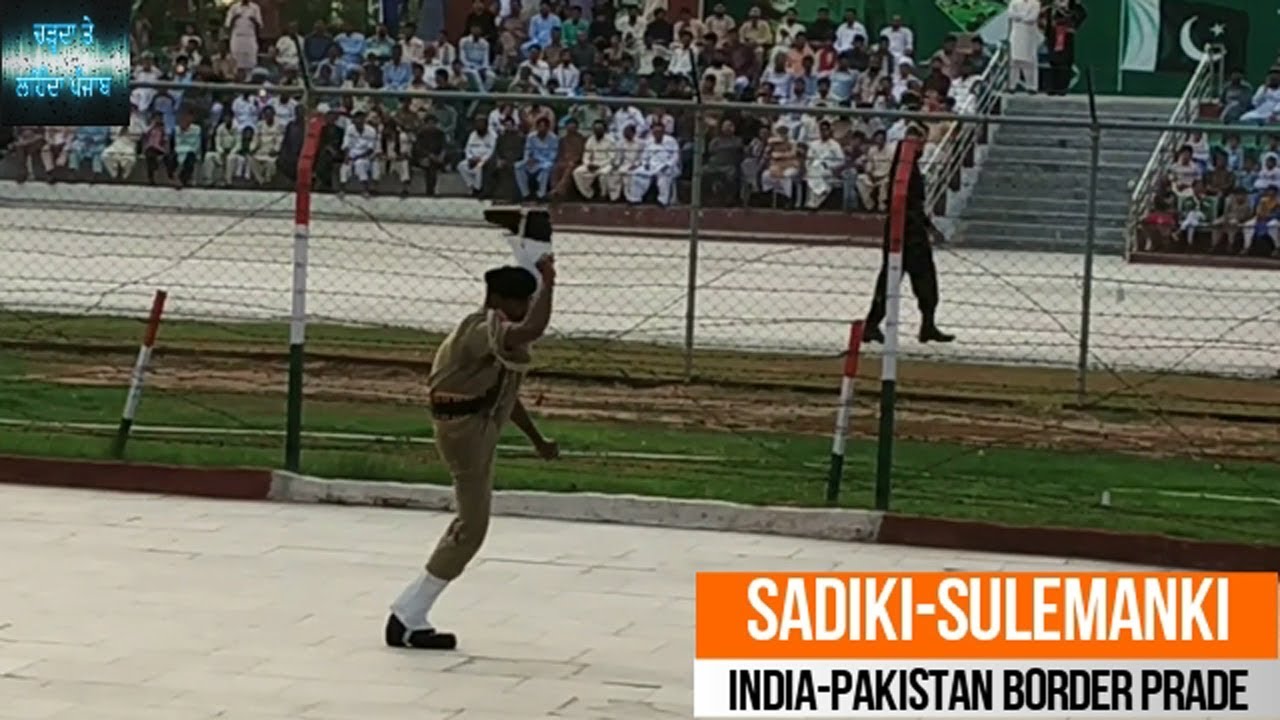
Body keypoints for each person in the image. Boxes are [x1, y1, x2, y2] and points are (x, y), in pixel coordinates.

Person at [385, 210, 560, 651]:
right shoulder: (481, 331)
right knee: (472, 527)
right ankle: (408, 614)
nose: (528, 311)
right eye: (524, 302)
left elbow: (507, 394)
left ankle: (529, 236)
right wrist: (550, 279)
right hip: (464, 433)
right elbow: (535, 325)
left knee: (470, 523)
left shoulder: (495, 328)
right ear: (506, 303)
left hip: (478, 424)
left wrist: (536, 439)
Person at [862, 126, 954, 344]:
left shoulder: (904, 168)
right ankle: (920, 324)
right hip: (909, 232)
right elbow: (910, 204)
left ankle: (877, 325)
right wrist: (925, 228)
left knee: (892, 279)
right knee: (916, 278)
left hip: (902, 229)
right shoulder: (905, 169)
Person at [1007, 0, 1041, 93]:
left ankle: (1032, 87)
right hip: (1016, 35)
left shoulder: (1035, 3)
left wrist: (1019, 16)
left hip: (1029, 37)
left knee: (1030, 62)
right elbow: (1010, 15)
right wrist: (1024, 15)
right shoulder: (1014, 2)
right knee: (1014, 62)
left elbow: (1032, 18)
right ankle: (1012, 86)